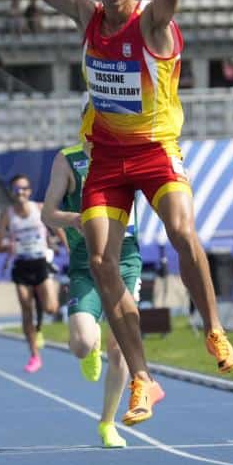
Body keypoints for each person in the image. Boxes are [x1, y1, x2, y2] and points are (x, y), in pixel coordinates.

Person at [16, 0, 233, 426]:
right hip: (107, 159)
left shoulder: (152, 23)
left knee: (182, 231)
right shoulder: (87, 15)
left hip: (155, 149)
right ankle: (141, 376)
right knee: (100, 261)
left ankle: (214, 330)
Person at [42, 139, 141, 448]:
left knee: (120, 348)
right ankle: (92, 341)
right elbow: (48, 214)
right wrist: (75, 219)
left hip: (125, 259)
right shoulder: (68, 159)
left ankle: (107, 423)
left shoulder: (128, 150)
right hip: (87, 261)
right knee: (81, 345)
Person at [0, 173, 59, 373]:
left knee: (51, 308)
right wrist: (7, 246)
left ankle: (39, 325)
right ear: (12, 192)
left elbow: (58, 229)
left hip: (40, 263)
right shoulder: (7, 215)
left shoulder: (39, 208)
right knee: (25, 307)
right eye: (17, 189)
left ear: (29, 191)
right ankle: (34, 356)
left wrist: (67, 248)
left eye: (24, 188)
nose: (20, 192)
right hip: (21, 265)